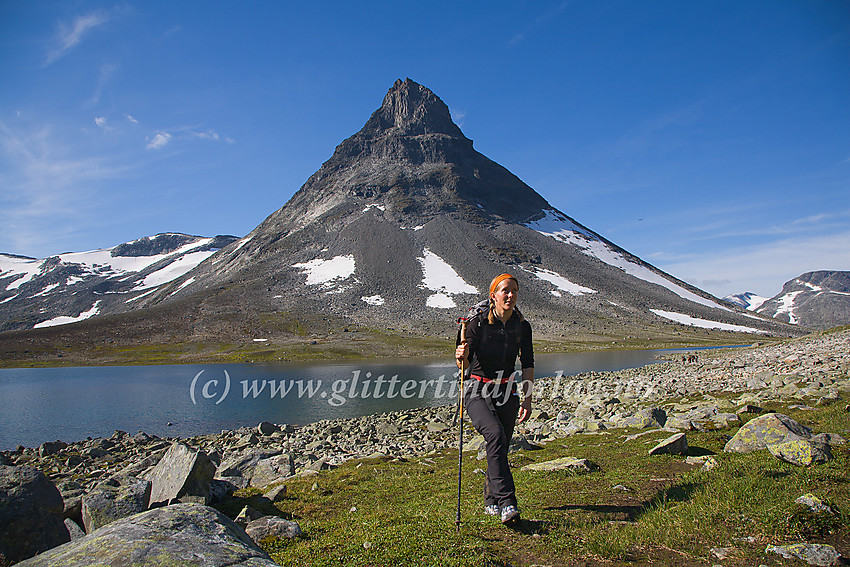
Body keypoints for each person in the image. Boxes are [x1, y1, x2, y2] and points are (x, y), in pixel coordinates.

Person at [455, 273, 534, 525]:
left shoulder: (522, 326)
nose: (510, 295)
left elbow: (528, 363)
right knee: (495, 435)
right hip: (477, 391)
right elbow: (464, 364)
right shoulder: (476, 324)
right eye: (505, 291)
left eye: (514, 291)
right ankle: (507, 502)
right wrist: (460, 355)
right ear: (493, 295)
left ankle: (490, 500)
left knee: (499, 444)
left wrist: (527, 399)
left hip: (507, 392)